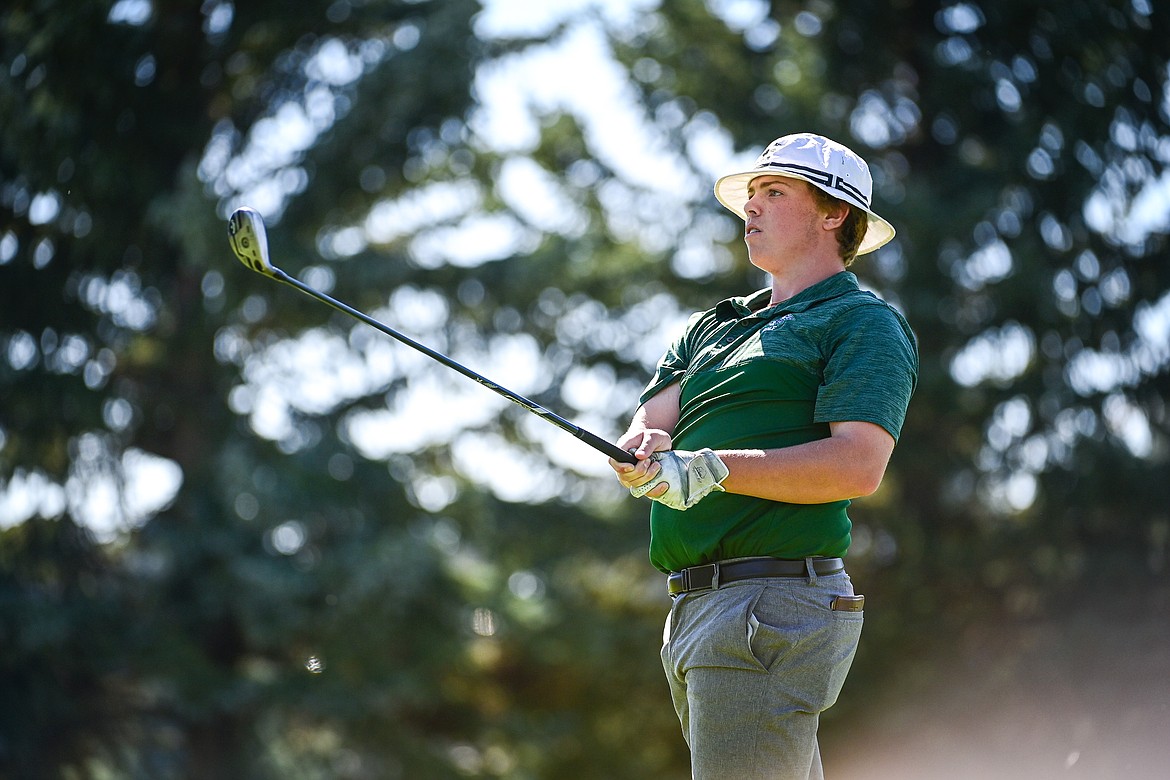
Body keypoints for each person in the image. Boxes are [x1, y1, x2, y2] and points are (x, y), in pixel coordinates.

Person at [610, 133, 918, 779]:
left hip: (768, 604)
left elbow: (857, 464)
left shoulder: (861, 322)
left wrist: (713, 467)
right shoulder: (711, 326)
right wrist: (642, 446)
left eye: (773, 192)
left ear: (834, 213)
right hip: (696, 609)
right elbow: (653, 419)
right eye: (751, 194)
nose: (750, 207)